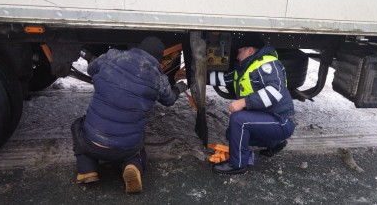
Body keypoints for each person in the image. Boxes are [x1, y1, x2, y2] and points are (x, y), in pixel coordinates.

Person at [71, 36, 188, 193]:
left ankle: (87, 168)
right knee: (136, 148)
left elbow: (92, 69)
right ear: (159, 58)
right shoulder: (158, 77)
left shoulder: (112, 56)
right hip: (125, 149)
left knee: (78, 127)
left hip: (92, 143)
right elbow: (169, 100)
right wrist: (180, 87)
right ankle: (132, 165)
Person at [208, 34, 295, 174]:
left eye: (239, 51)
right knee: (232, 134)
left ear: (250, 50)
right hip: (267, 118)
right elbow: (222, 79)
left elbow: (275, 91)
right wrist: (192, 75)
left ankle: (237, 164)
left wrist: (244, 102)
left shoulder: (267, 64)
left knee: (239, 120)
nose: (236, 56)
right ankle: (274, 143)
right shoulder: (246, 67)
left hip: (281, 121)